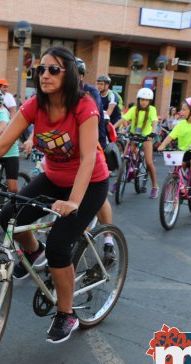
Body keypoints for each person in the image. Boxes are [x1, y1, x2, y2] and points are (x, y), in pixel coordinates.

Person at [0, 46, 109, 343]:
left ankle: (67, 314)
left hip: (89, 183)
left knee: (59, 246)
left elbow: (89, 157)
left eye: (54, 69)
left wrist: (74, 202)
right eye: (41, 69)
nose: (45, 75)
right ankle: (33, 252)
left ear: (68, 76)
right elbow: (1, 145)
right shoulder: (34, 106)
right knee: (7, 216)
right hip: (53, 177)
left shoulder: (84, 105)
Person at [75, 59, 115, 262]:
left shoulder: (89, 93)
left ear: (81, 75)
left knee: (97, 194)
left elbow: (91, 116)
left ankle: (108, 238)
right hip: (68, 150)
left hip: (94, 146)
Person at [158, 97, 191, 214]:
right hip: (182, 152)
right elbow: (170, 136)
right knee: (174, 174)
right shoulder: (181, 124)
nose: (181, 112)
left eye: (184, 110)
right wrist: (162, 145)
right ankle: (170, 201)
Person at [113, 88, 159, 198]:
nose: (144, 102)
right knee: (125, 157)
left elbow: (154, 121)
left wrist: (153, 133)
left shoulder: (152, 109)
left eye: (147, 100)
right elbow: (123, 119)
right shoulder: (133, 109)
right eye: (142, 99)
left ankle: (154, 187)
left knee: (148, 162)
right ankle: (117, 181)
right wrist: (113, 128)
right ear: (138, 100)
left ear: (149, 102)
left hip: (146, 137)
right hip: (134, 135)